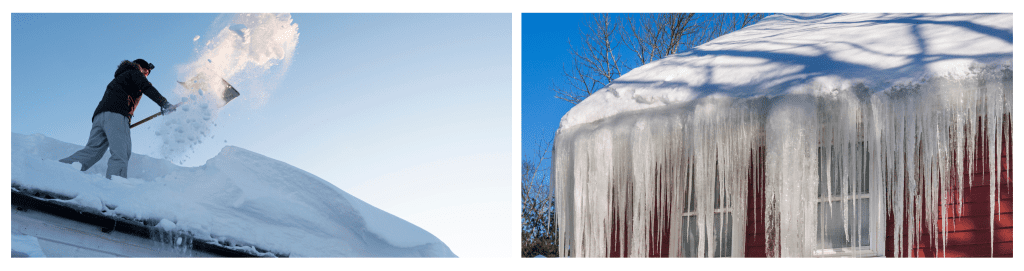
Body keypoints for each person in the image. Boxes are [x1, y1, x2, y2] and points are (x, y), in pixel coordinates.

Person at [60, 59, 177, 179]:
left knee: (91, 151)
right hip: (117, 115)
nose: (146, 75)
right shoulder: (135, 72)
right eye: (146, 71)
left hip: (100, 116)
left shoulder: (120, 77)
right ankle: (115, 187)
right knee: (121, 153)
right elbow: (146, 87)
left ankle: (57, 170)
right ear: (140, 67)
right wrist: (164, 104)